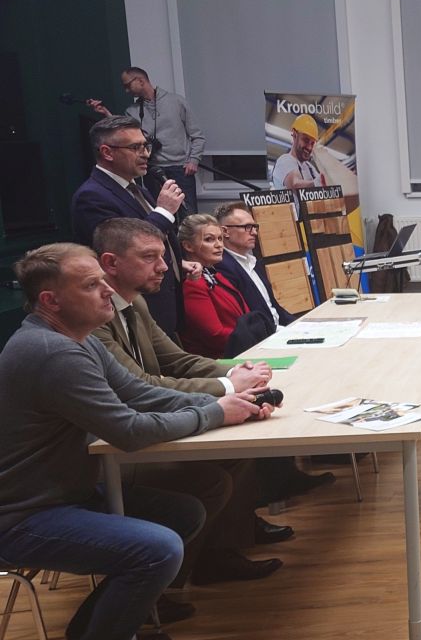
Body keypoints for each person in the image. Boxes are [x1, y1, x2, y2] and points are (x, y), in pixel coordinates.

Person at [0, 243, 270, 640]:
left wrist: (228, 406)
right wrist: (215, 414)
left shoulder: (78, 338)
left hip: (65, 493)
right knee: (156, 548)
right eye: (91, 285)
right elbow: (129, 429)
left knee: (184, 512)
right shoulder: (54, 353)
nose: (107, 291)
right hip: (24, 515)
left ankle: (119, 624)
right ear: (50, 301)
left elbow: (141, 394)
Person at [89, 218, 292, 583]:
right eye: (149, 257)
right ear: (110, 263)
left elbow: (178, 360)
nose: (164, 267)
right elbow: (140, 386)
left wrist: (236, 371)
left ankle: (223, 550)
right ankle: (167, 581)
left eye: (162, 256)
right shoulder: (93, 317)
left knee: (238, 450)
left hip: (152, 419)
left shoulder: (136, 304)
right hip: (114, 443)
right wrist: (227, 388)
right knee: (212, 477)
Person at [71, 116, 189, 337]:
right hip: (136, 306)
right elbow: (124, 248)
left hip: (165, 300)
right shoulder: (92, 196)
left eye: (146, 146)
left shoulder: (137, 189)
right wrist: (164, 212)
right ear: (107, 152)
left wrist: (177, 263)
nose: (145, 154)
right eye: (135, 147)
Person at [87, 67, 204, 212]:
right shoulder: (132, 111)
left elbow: (197, 136)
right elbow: (125, 133)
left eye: (127, 85)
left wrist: (194, 160)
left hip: (180, 169)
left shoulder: (176, 102)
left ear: (140, 81)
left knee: (189, 214)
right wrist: (106, 113)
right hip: (152, 170)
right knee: (159, 212)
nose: (126, 90)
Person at [177, 214, 253, 359]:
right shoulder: (192, 284)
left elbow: (246, 315)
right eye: (209, 239)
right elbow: (215, 336)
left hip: (242, 349)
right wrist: (252, 336)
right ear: (188, 246)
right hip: (221, 360)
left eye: (220, 238)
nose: (219, 245)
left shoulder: (215, 274)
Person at [211, 202, 296, 328]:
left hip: (279, 329)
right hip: (264, 335)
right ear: (225, 231)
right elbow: (249, 318)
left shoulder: (253, 262)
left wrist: (299, 324)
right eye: (248, 227)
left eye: (255, 227)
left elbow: (274, 307)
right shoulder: (223, 266)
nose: (254, 232)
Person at [271, 114, 328, 190]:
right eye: (306, 140)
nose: (309, 147)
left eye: (312, 143)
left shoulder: (310, 167)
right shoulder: (285, 160)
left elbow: (324, 183)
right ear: (295, 135)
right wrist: (317, 183)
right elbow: (295, 185)